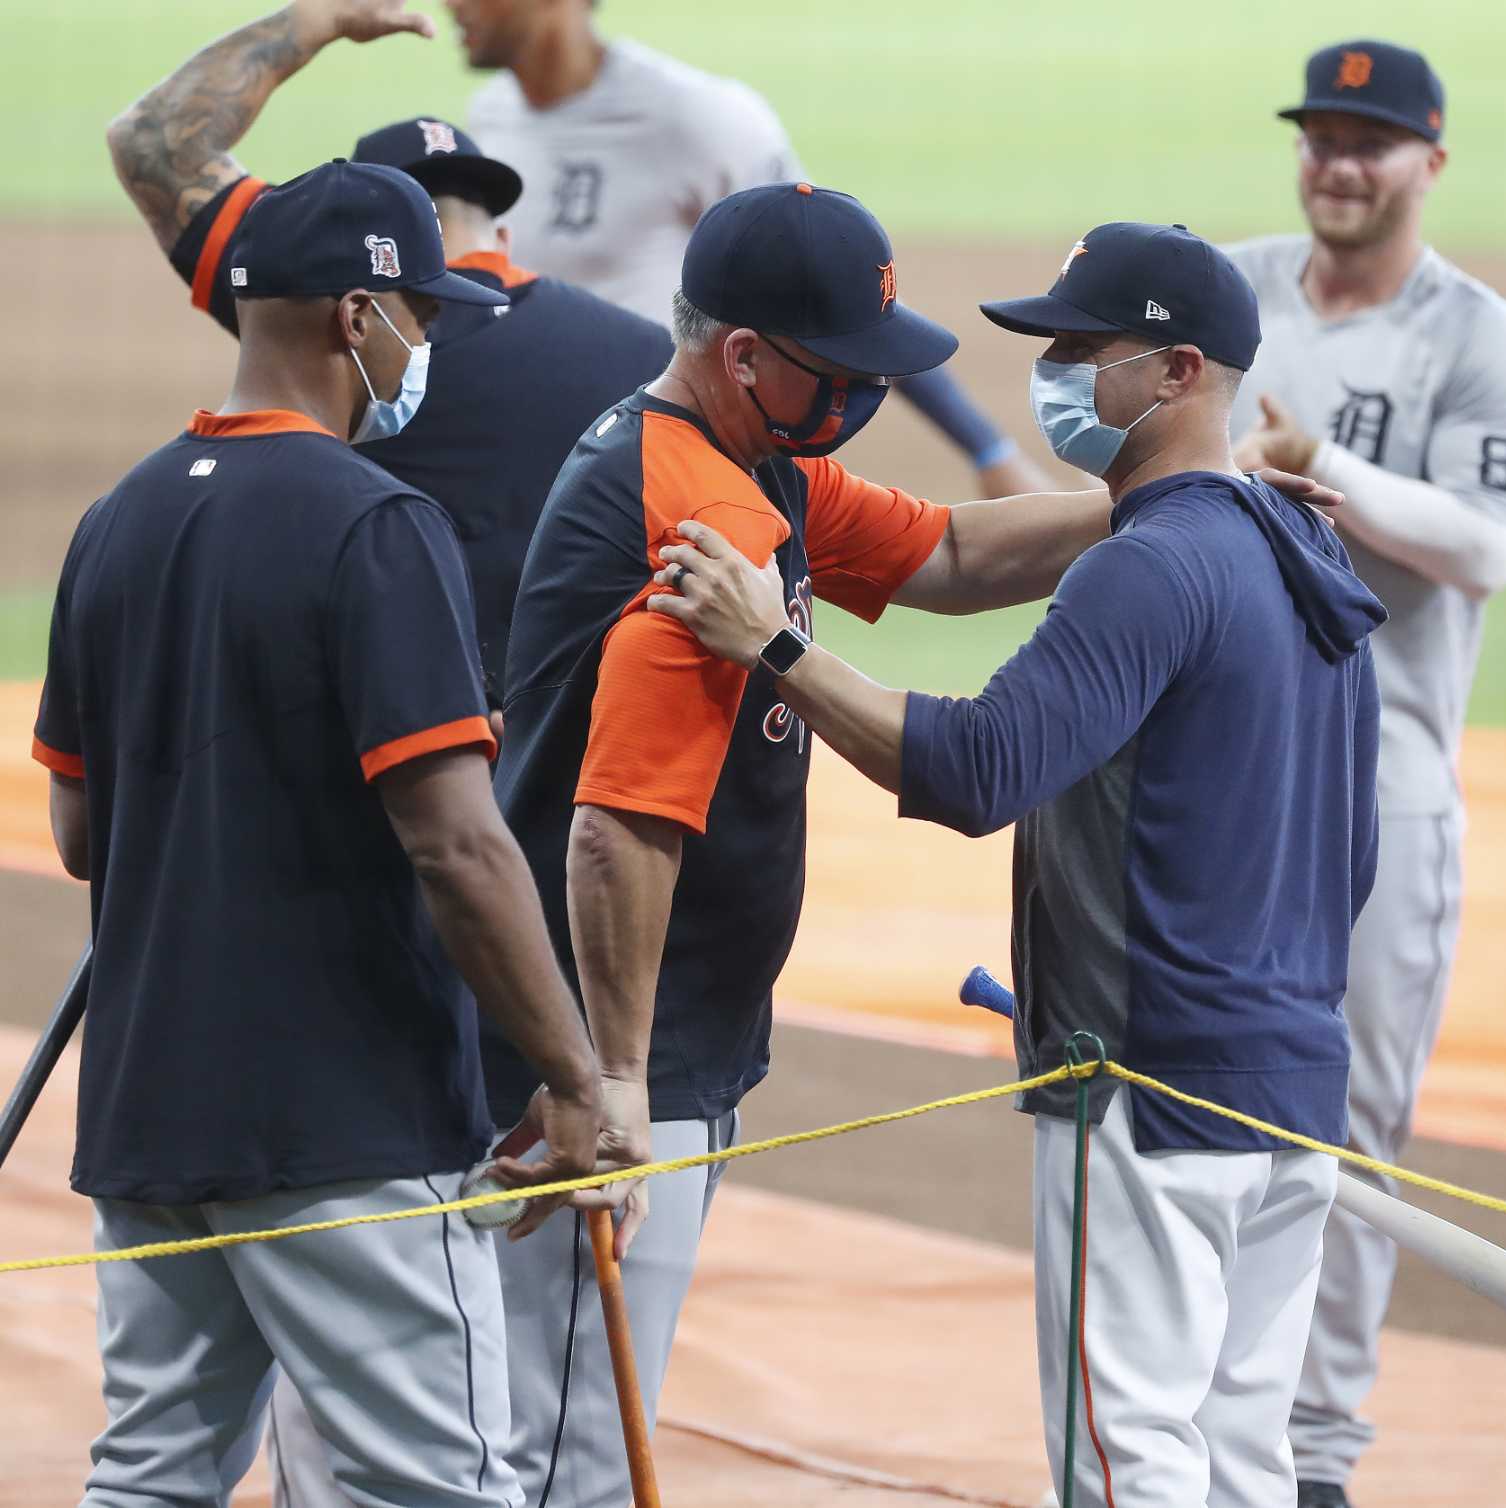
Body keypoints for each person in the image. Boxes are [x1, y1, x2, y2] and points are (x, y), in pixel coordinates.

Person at [651, 221, 1387, 1508]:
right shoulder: (1305, 552)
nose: (1051, 373)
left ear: (1174, 372)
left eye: (1079, 348)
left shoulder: (1145, 566)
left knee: (1127, 1461)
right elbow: (1352, 855)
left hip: (1149, 1090)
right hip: (1292, 1080)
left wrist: (773, 646)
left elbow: (976, 767)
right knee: (1242, 1462)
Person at [32, 160, 605, 1507]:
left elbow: (76, 828)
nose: (432, 349)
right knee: (442, 1483)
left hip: (151, 1112)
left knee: (151, 1478)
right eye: (425, 315)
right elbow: (459, 848)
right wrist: (572, 1076)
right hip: (343, 1119)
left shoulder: (117, 521)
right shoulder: (376, 524)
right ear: (360, 315)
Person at [1226, 41, 1506, 1506]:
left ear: (1430, 160)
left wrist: (1324, 475)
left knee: (1349, 1133)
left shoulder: (1479, 339)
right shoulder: (1230, 295)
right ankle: (1192, 1422)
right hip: (1217, 784)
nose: (1337, 163)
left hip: (1382, 790)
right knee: (1193, 1109)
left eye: (1371, 140)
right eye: (1320, 135)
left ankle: (1311, 1455)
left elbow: (1490, 548)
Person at [106, 0, 676, 703]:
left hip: (368, 756)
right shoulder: (645, 355)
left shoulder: (318, 308)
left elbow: (153, 141)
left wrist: (319, 19)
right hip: (570, 770)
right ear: (500, 240)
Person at [446, 0, 1052, 498]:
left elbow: (836, 281)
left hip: (665, 462)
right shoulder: (492, 115)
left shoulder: (695, 115)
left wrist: (987, 450)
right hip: (536, 455)